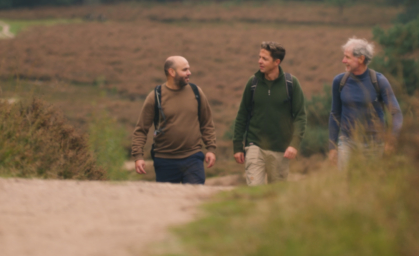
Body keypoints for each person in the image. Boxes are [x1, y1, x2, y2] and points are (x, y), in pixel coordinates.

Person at [130, 56, 216, 184]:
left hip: (193, 158)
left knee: (195, 194)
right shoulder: (155, 96)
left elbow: (207, 123)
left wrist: (211, 149)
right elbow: (141, 130)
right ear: (172, 72)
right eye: (185, 70)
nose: (189, 73)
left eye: (188, 69)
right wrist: (138, 156)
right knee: (167, 197)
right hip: (165, 161)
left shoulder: (196, 92)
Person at [232, 41, 307, 186]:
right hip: (254, 146)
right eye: (259, 57)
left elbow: (300, 117)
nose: (259, 61)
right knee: (255, 189)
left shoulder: (291, 84)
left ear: (277, 62)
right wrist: (237, 146)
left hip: (281, 149)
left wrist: (294, 144)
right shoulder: (253, 83)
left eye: (264, 59)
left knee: (276, 193)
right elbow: (242, 115)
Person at [328, 37, 403, 169]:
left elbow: (396, 113)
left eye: (347, 57)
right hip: (347, 143)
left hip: (374, 144)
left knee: (370, 180)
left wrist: (392, 140)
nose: (343, 60)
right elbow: (335, 114)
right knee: (344, 180)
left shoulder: (379, 81)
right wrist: (332, 147)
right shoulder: (339, 82)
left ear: (361, 59)